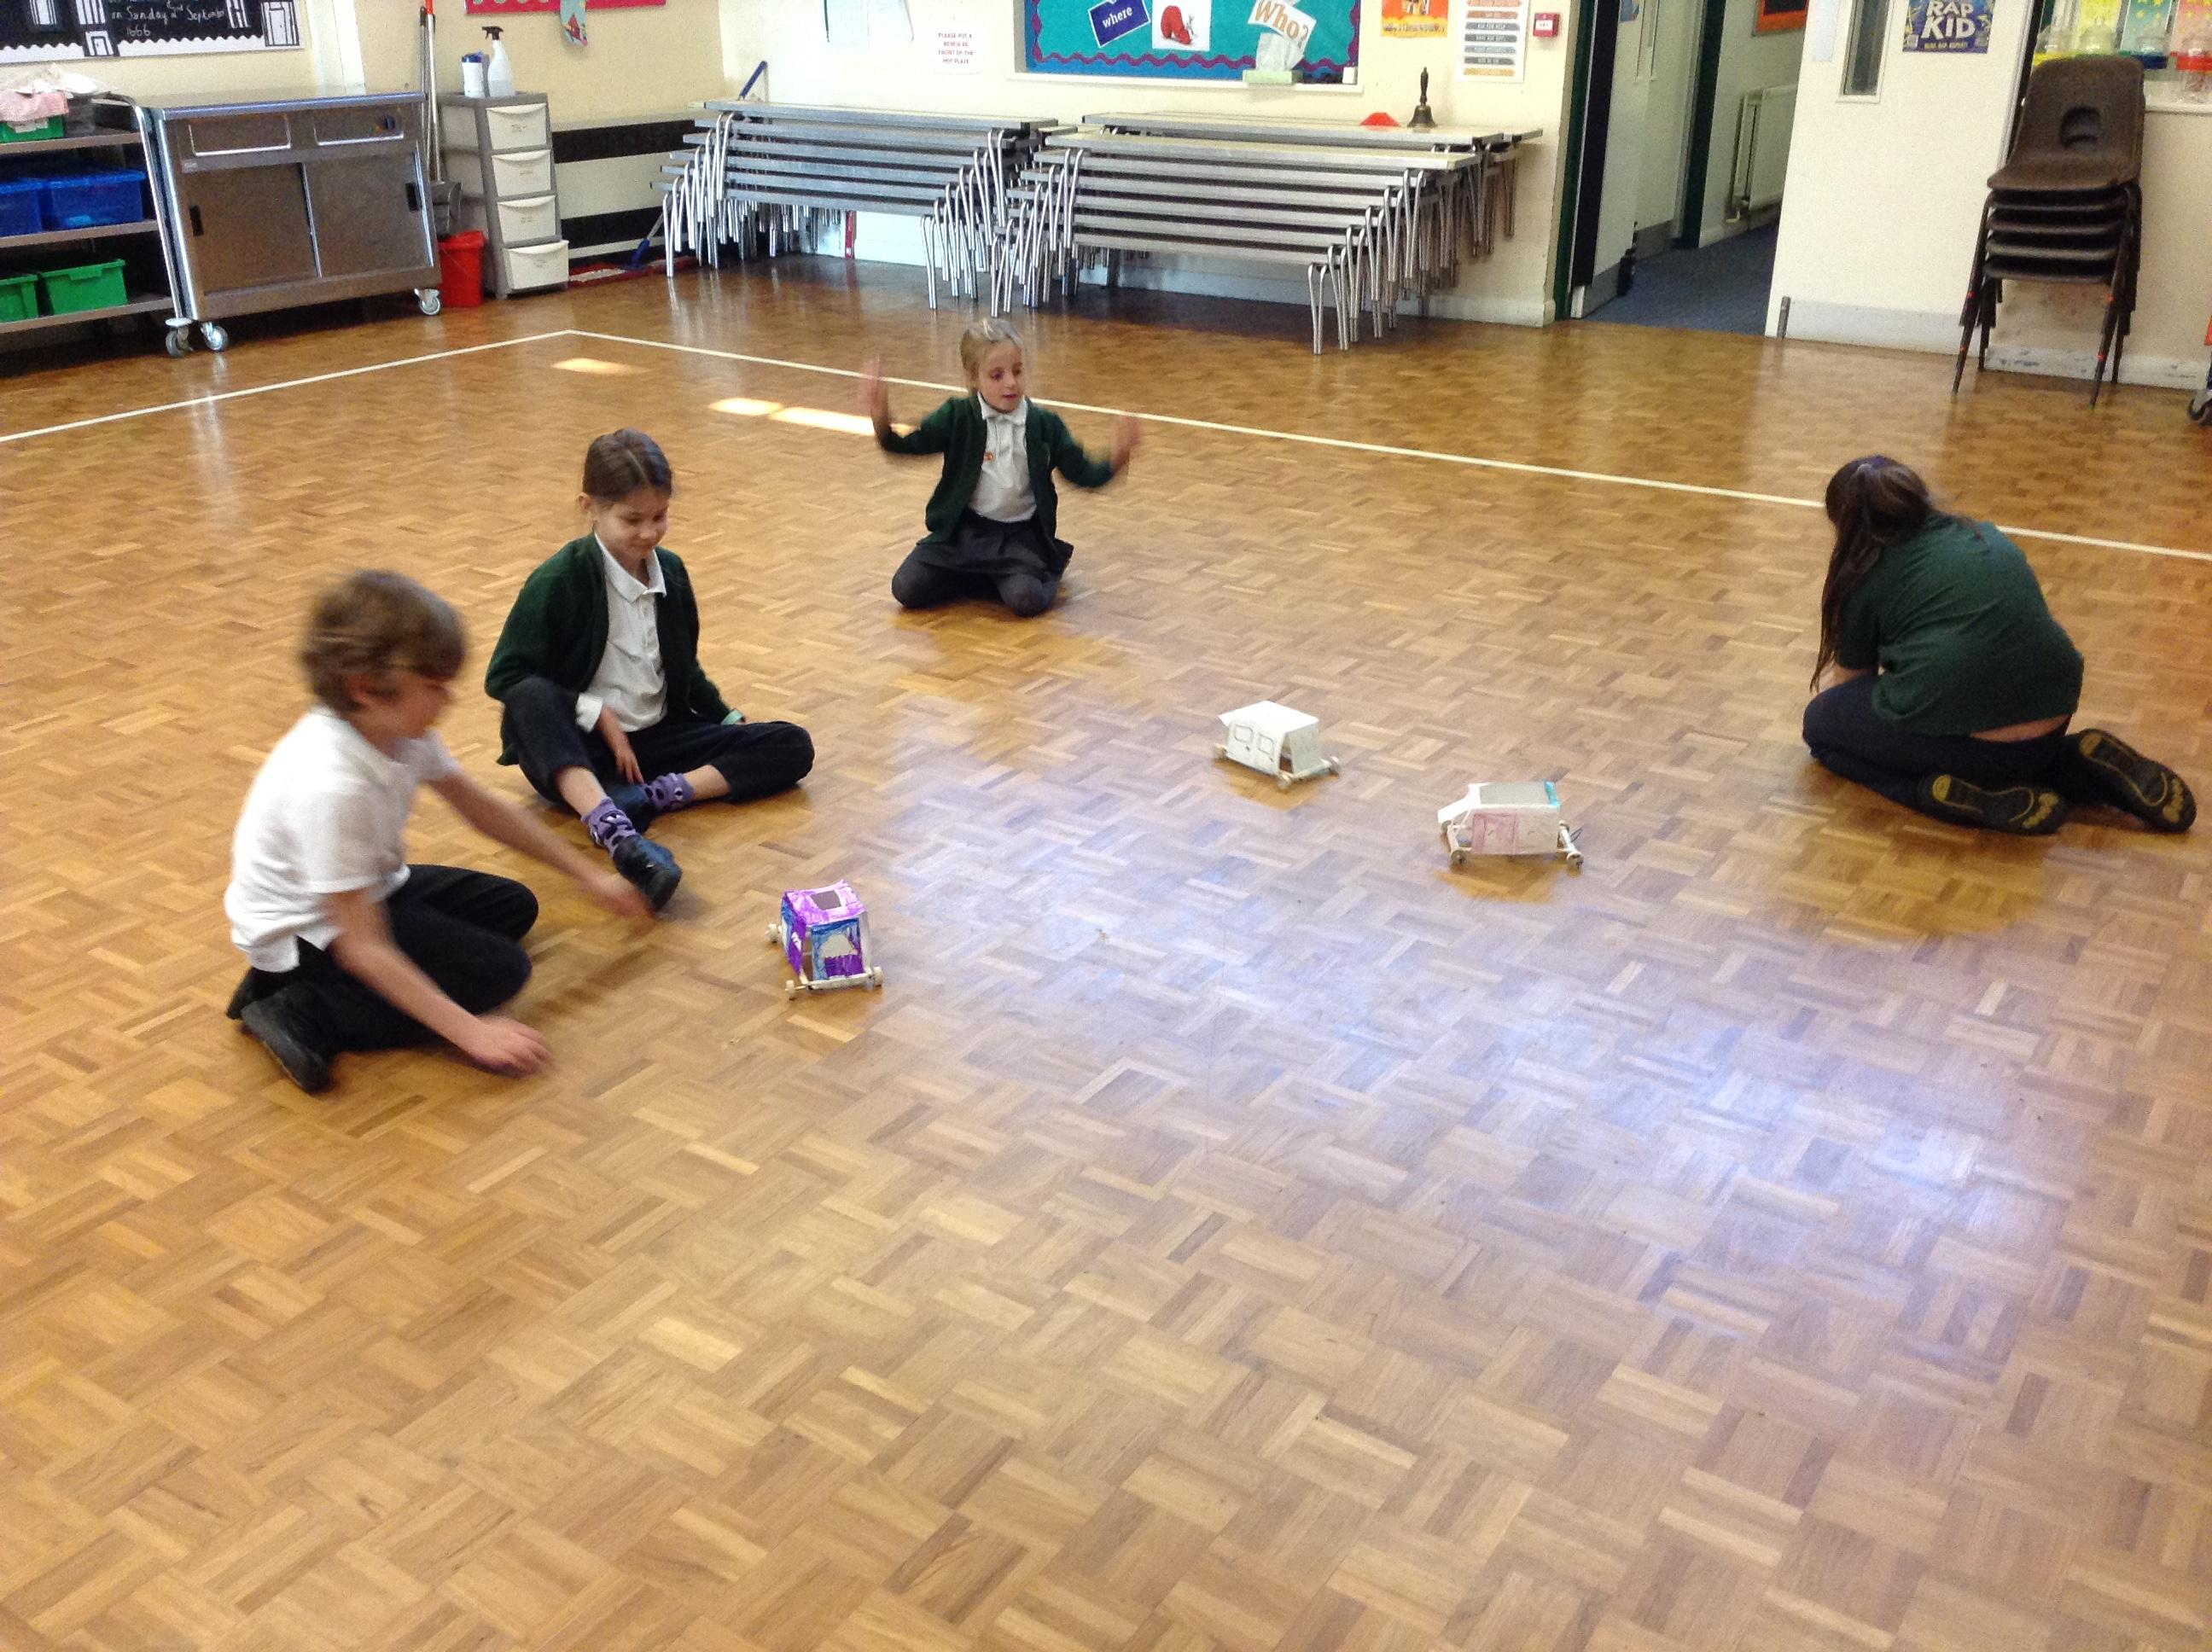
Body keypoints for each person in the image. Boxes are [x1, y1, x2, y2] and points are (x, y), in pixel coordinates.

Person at [224, 570, 652, 1095]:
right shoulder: (332, 786)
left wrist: (590, 877)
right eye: (433, 687)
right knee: (502, 972)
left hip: (365, 885)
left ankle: (309, 986)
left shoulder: (398, 730)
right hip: (306, 929)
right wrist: (471, 1033)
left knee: (512, 907)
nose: (448, 700)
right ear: (365, 689)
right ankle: (302, 1006)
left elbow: (481, 808)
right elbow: (363, 947)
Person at [485, 430, 815, 907]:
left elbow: (684, 669)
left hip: (657, 742)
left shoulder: (672, 572)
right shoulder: (558, 579)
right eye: (632, 520)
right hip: (581, 752)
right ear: (589, 507)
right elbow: (506, 678)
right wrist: (595, 712)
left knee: (791, 744)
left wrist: (726, 717)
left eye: (659, 516)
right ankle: (614, 830)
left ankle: (655, 796)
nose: (648, 533)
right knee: (527, 700)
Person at [1802, 456, 2194, 835]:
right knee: (2001, 742)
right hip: (2052, 718)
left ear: (1844, 525)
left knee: (1822, 726)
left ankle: (1930, 793)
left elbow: (1850, 687)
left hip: (1980, 747)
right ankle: (2075, 765)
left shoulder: (1862, 576)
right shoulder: (1983, 535)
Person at [862, 319, 1140, 619]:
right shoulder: (957, 416)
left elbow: (1082, 472)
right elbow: (907, 445)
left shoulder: (1045, 424)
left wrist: (1118, 457)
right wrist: (881, 420)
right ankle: (983, 575)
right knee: (905, 588)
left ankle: (1028, 570)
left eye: (1017, 371)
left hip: (1019, 538)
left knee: (1027, 600)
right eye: (997, 375)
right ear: (973, 378)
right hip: (964, 535)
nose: (1010, 383)